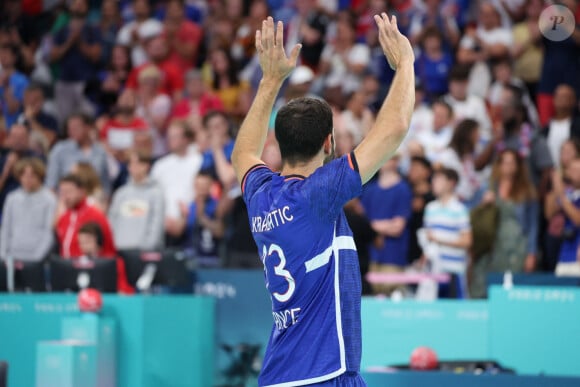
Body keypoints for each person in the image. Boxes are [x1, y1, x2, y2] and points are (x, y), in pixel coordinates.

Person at [231, 15, 414, 386]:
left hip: (278, 374)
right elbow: (394, 128)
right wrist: (406, 63)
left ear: (279, 145)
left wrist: (270, 80)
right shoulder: (319, 194)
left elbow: (243, 154)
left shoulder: (262, 195)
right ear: (329, 143)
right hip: (323, 375)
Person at [471, 149, 538, 298]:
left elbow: (533, 225)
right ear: (499, 165)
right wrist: (483, 203)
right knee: (484, 284)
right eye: (505, 162)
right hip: (491, 244)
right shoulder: (487, 187)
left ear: (518, 166)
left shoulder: (527, 191)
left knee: (512, 285)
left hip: (516, 245)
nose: (508, 166)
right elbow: (471, 214)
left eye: (512, 162)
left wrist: (531, 253)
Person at [360, 154, 413, 294]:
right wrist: (384, 226)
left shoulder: (403, 189)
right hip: (371, 256)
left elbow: (398, 227)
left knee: (392, 295)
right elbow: (361, 222)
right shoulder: (370, 190)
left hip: (393, 257)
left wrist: (372, 227)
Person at [422, 167, 472, 299]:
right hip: (433, 273)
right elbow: (428, 242)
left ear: (451, 183)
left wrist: (438, 239)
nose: (434, 182)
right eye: (434, 179)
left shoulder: (460, 210)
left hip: (453, 271)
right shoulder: (430, 208)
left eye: (439, 179)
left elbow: (467, 241)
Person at [150, 121, 203, 241]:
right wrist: (163, 219)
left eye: (175, 136)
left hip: (192, 221)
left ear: (185, 139)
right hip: (163, 222)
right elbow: (154, 194)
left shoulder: (198, 161)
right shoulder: (160, 165)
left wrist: (186, 216)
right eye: (169, 137)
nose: (170, 140)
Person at [0, 158, 56, 262]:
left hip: (37, 258)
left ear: (40, 176)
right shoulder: (12, 198)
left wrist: (37, 257)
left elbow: (49, 232)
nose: (27, 180)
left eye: (32, 176)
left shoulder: (50, 200)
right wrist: (3, 254)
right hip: (12, 256)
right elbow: (5, 228)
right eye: (24, 176)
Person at [108, 151, 165, 251]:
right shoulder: (121, 193)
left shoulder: (156, 194)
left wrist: (147, 248)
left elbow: (156, 225)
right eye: (130, 163)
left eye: (137, 163)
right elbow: (112, 221)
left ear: (146, 166)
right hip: (120, 249)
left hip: (144, 252)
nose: (133, 167)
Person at [546, 158, 580, 277]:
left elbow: (577, 219)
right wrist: (556, 187)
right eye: (571, 169)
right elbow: (549, 214)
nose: (573, 172)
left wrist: (561, 195)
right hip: (564, 254)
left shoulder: (565, 196)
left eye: (577, 169)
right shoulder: (568, 193)